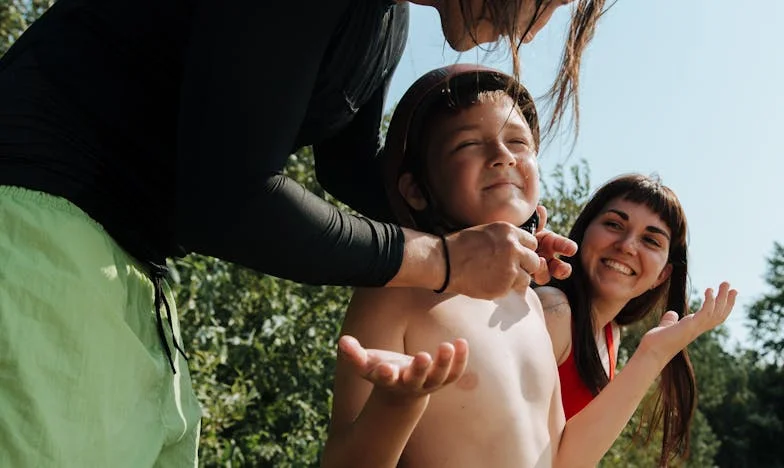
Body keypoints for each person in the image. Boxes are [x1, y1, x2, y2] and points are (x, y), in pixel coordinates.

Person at [0, 0, 607, 465]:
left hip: (119, 256)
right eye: (551, 2)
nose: (538, 28)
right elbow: (228, 200)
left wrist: (489, 237)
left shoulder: (385, 16)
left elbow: (348, 169)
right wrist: (444, 259)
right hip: (37, 224)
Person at [320, 64, 737, 468]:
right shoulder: (395, 293)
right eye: (468, 144)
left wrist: (652, 353)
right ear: (415, 189)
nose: (502, 157)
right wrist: (397, 404)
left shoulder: (528, 305)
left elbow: (563, 460)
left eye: (518, 143)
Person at [536, 173, 723, 466]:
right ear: (584, 233)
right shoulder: (553, 311)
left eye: (650, 240)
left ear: (661, 276)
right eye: (614, 224)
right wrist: (653, 354)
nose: (627, 245)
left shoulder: (610, 336)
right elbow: (556, 462)